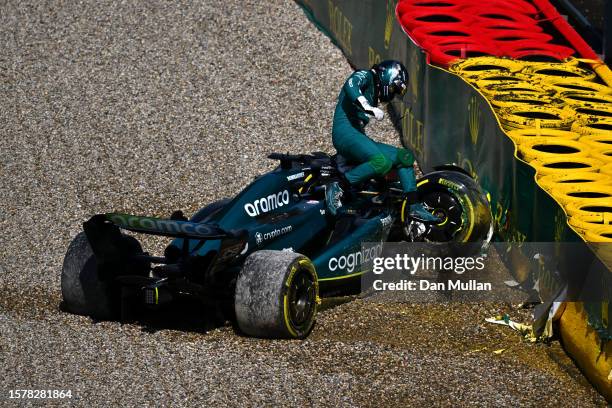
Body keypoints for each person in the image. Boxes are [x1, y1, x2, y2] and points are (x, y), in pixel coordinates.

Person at [326, 60, 438, 222]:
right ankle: (338, 186)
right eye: (393, 88)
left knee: (405, 157)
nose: (392, 94)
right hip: (344, 133)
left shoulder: (374, 92)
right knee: (381, 162)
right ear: (387, 76)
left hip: (357, 135)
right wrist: (367, 106)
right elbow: (351, 84)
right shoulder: (366, 75)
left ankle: (413, 206)